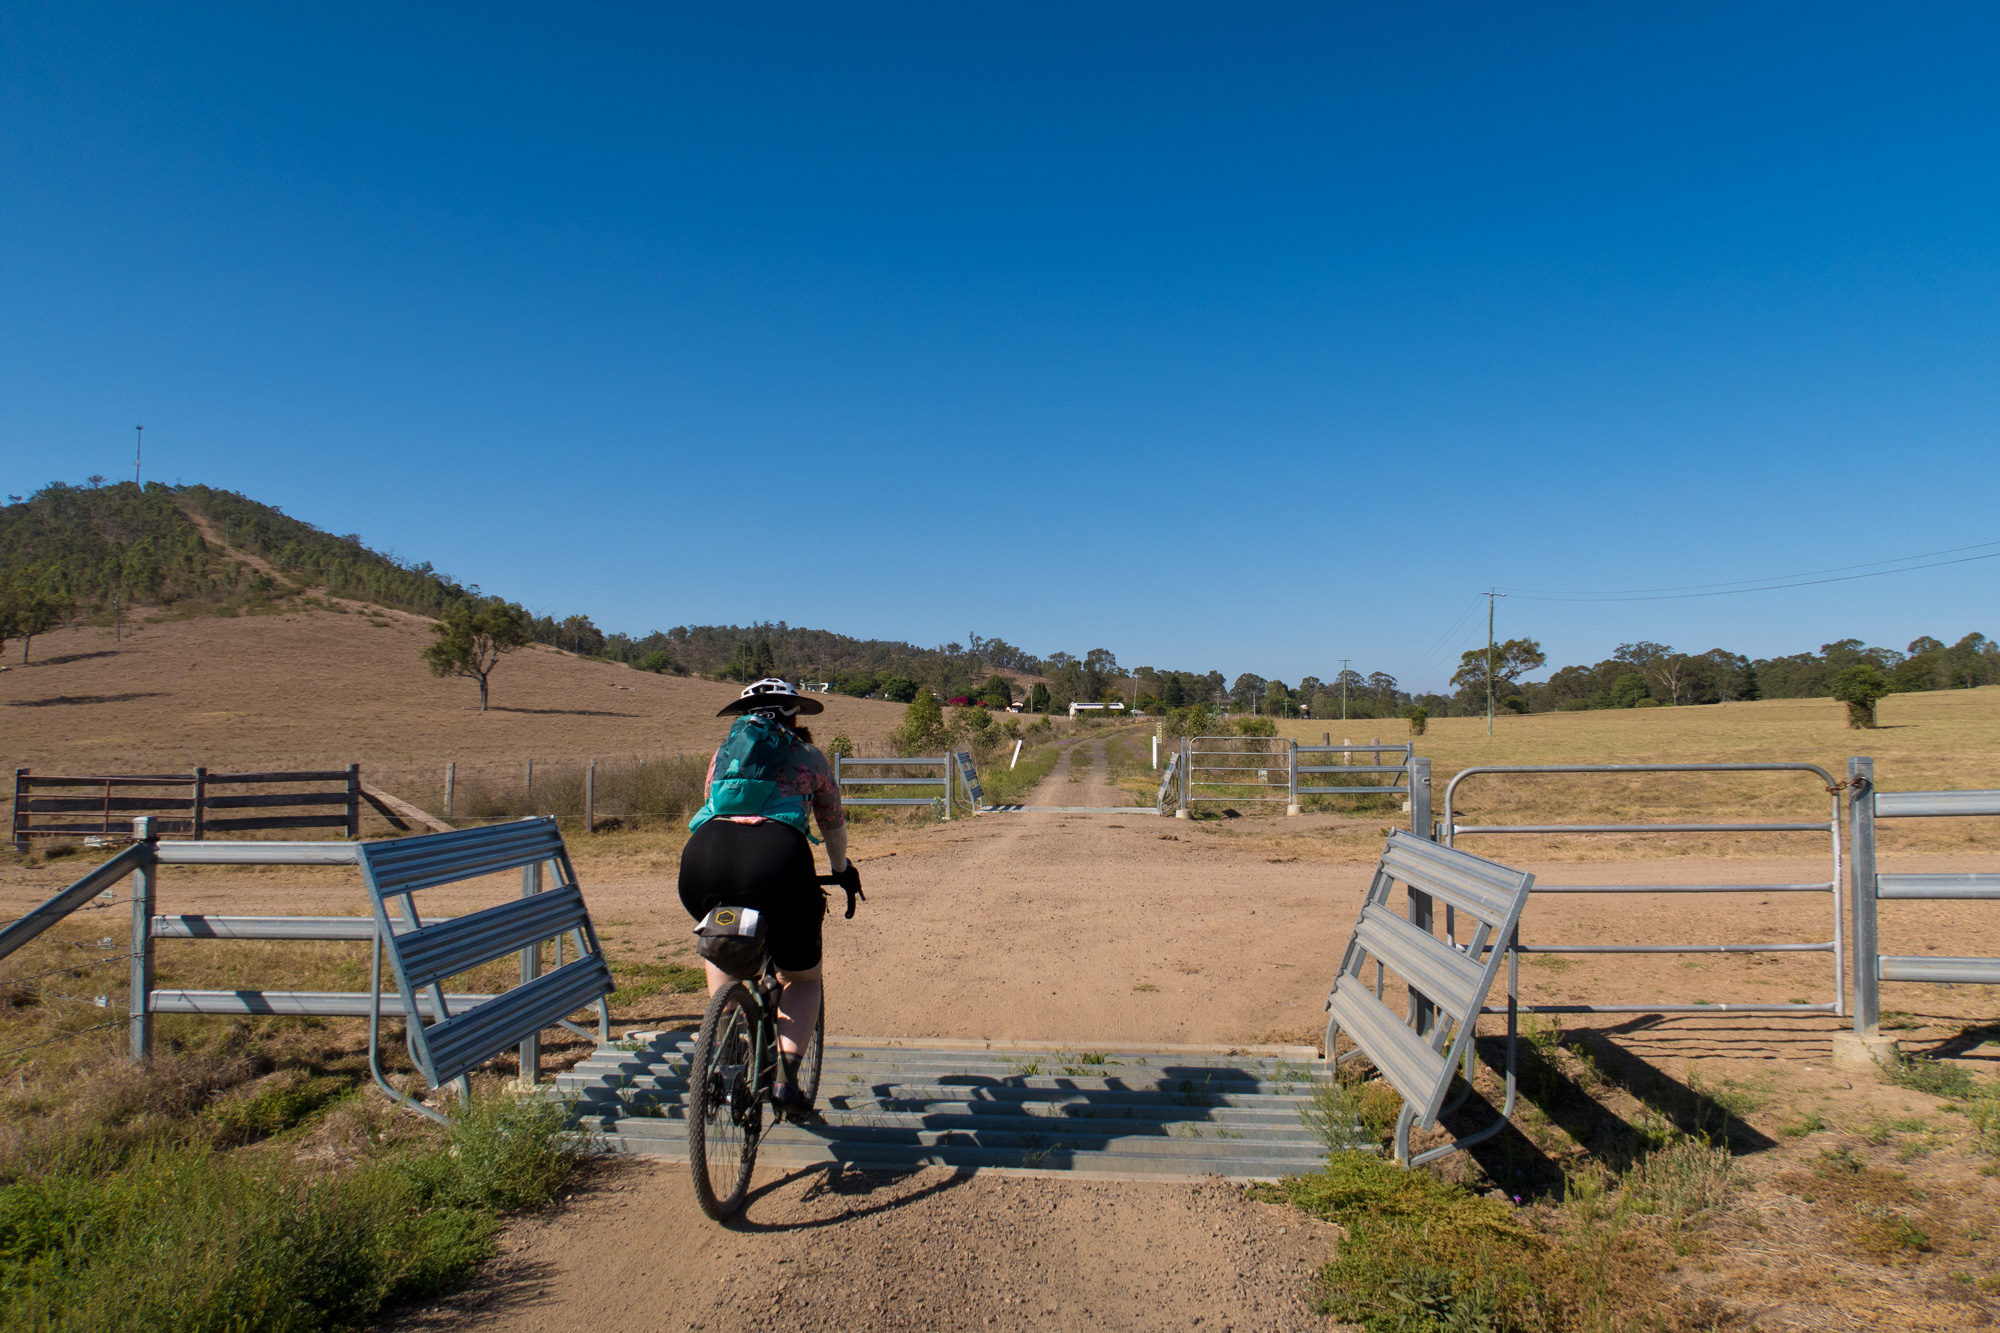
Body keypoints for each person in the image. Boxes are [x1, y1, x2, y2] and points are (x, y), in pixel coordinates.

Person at [679, 677, 856, 1118]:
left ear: (744, 718)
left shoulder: (723, 756)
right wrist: (840, 869)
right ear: (793, 717)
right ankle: (785, 1081)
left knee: (718, 942)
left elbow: (713, 807)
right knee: (802, 977)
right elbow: (832, 820)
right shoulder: (808, 756)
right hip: (777, 861)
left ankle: (724, 1044)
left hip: (704, 860)